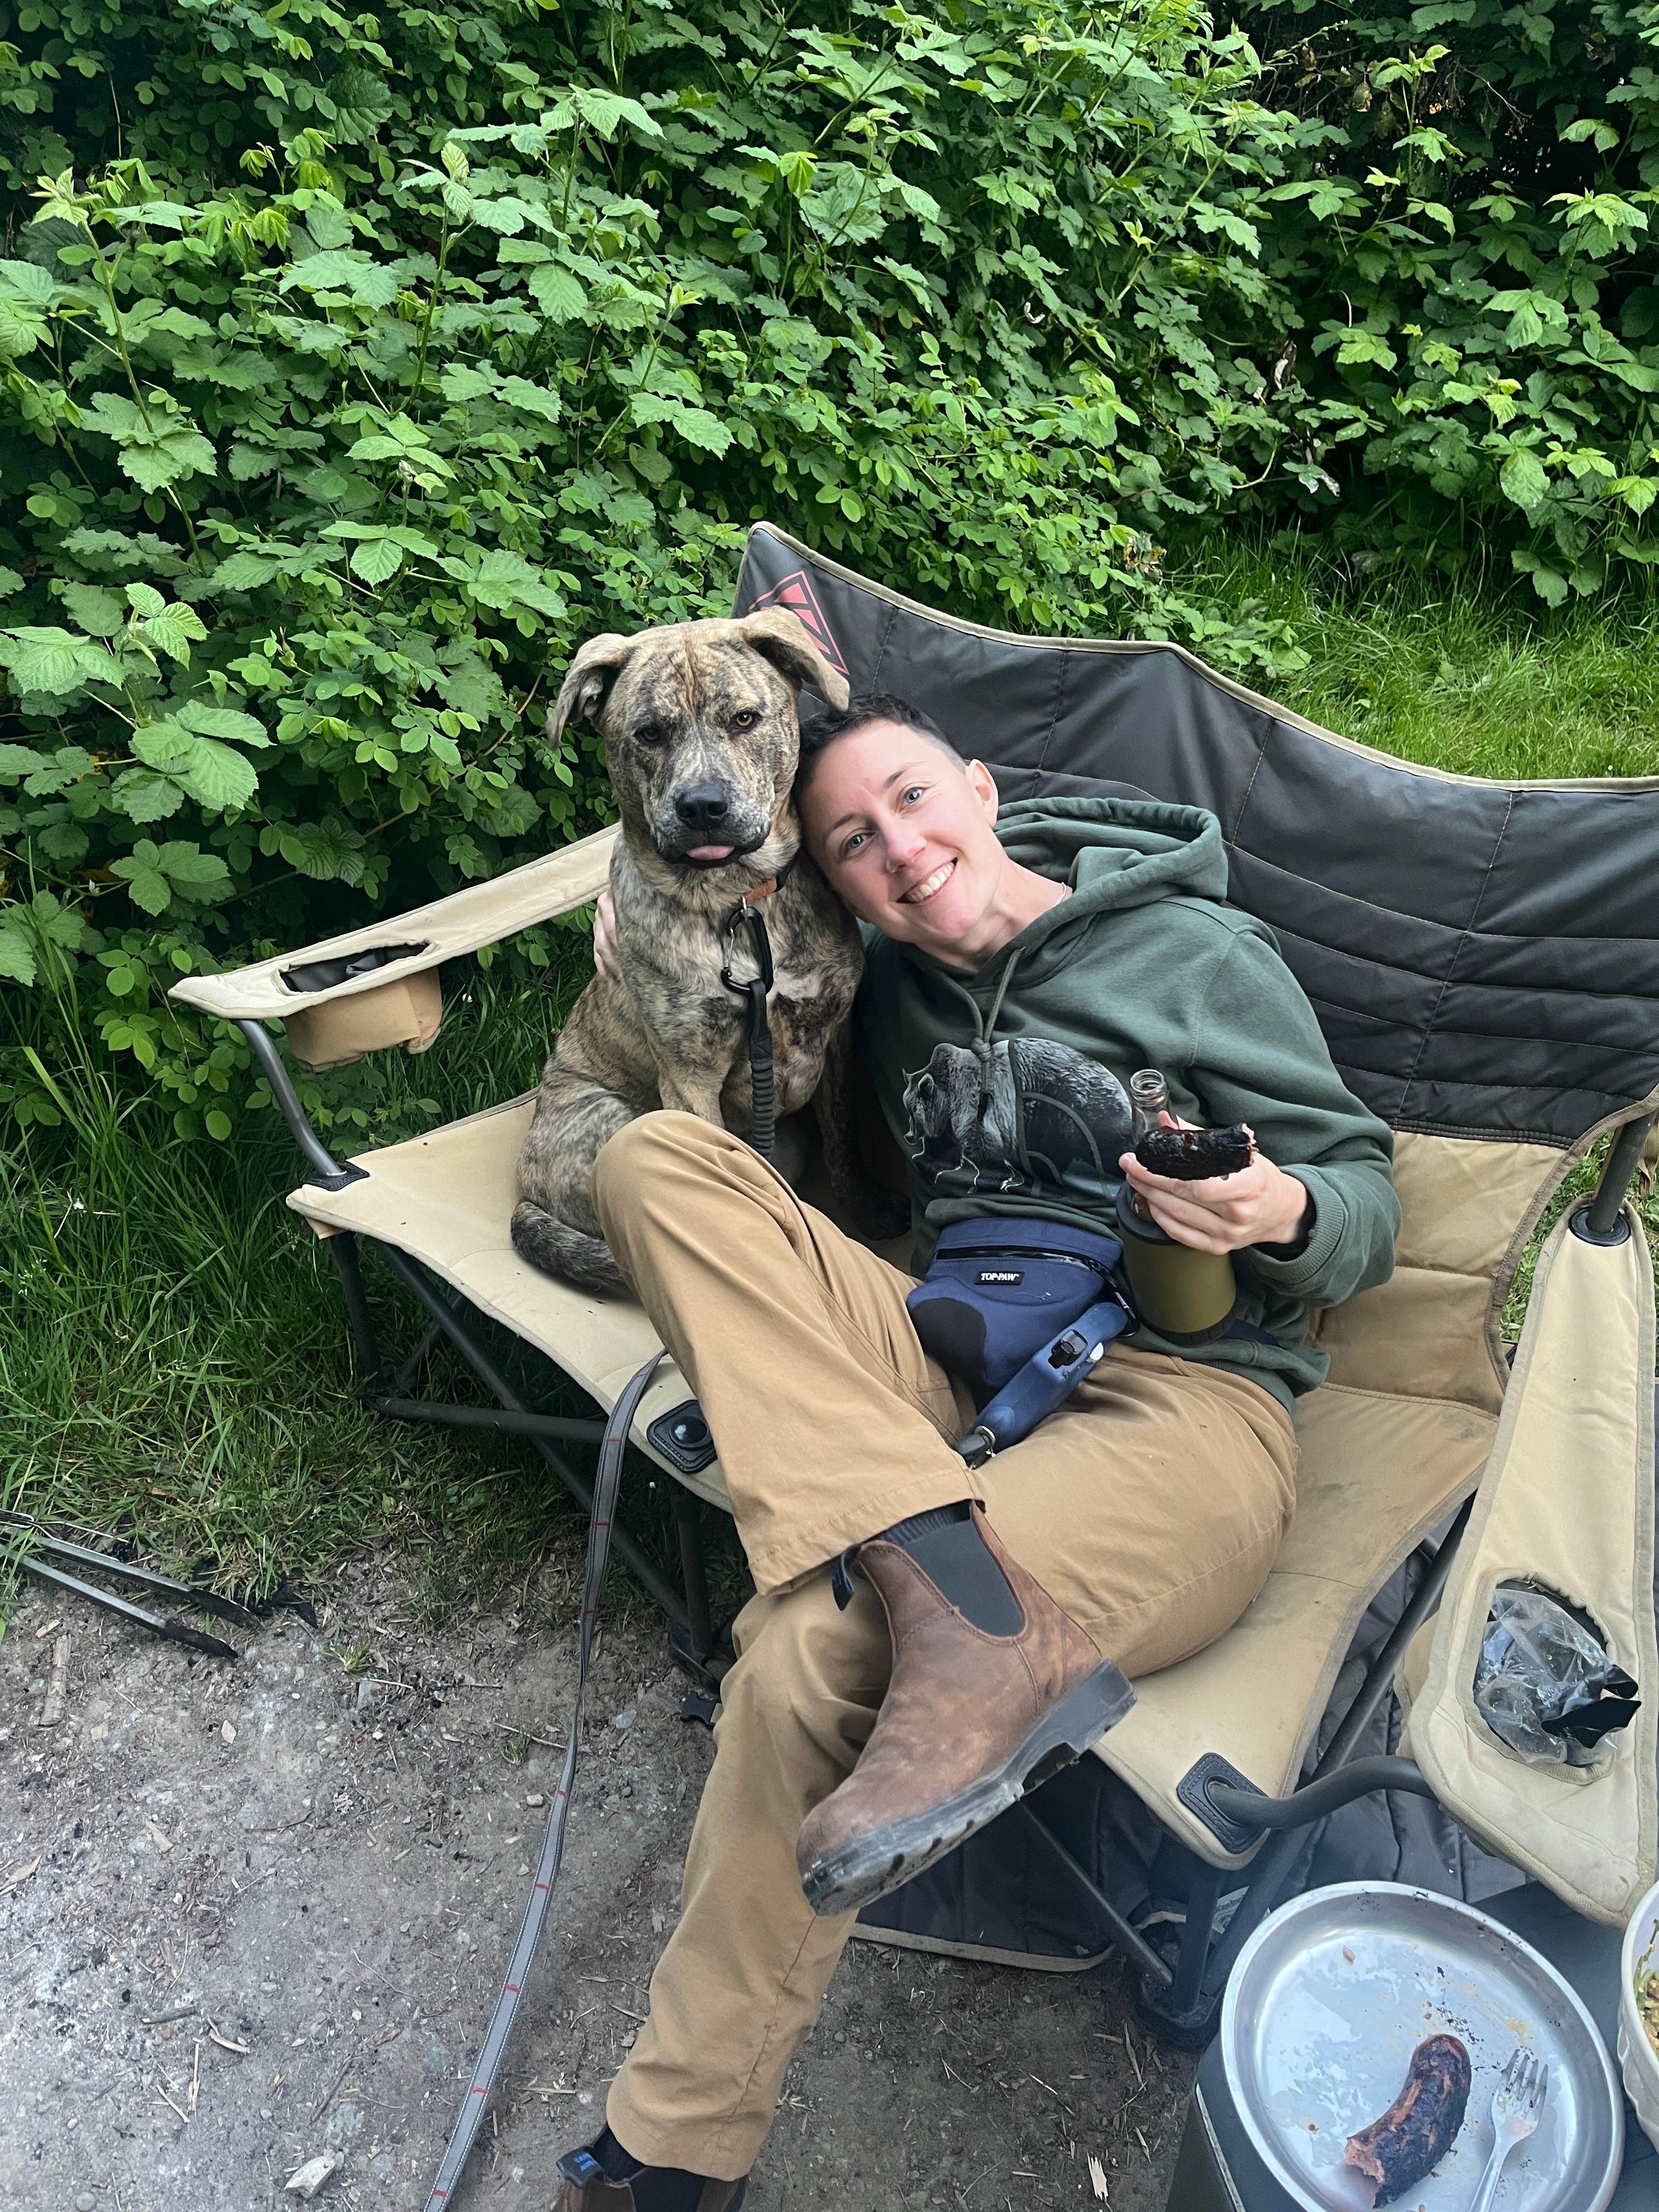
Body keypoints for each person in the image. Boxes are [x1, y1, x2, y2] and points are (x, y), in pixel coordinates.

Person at [555, 696, 1400, 2211]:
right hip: (941, 1359)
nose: (901, 853)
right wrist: (623, 933)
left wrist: (1276, 1210)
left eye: (916, 804)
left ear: (987, 792)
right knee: (650, 1158)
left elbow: (1363, 1203)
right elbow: (713, 881)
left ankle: (674, 2152)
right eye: (852, 845)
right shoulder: (874, 987)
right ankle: (966, 1599)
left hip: (1177, 1401)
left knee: (815, 1656)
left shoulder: (1199, 956)